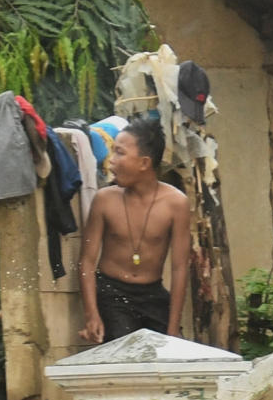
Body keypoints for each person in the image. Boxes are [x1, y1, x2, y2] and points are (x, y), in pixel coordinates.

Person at [78, 114, 191, 347]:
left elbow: (180, 267)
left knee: (163, 356)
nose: (111, 161)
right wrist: (92, 315)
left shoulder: (176, 203)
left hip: (153, 294)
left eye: (119, 153)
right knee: (125, 349)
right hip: (112, 293)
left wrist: (173, 326)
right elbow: (87, 262)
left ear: (144, 163)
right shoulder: (104, 200)